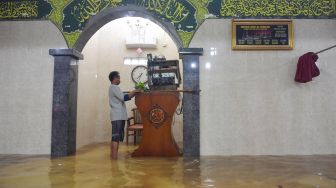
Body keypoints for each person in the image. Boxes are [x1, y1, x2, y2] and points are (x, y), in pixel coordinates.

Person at [108, 71, 139, 159]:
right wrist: (135, 91)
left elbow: (124, 96)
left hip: (118, 116)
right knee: (115, 138)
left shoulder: (114, 88)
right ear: (115, 78)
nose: (120, 79)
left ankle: (113, 157)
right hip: (117, 116)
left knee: (115, 137)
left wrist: (133, 93)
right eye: (119, 78)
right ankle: (114, 159)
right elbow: (124, 98)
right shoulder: (114, 87)